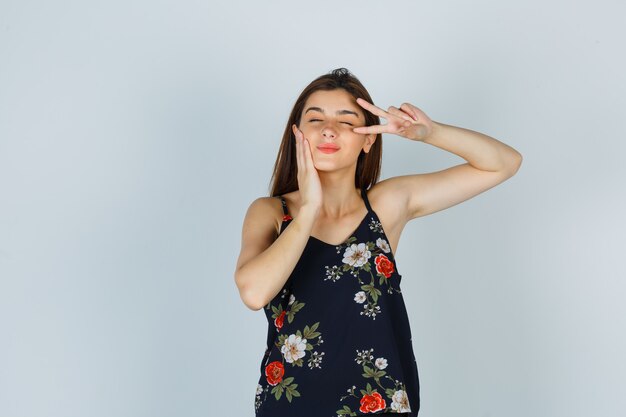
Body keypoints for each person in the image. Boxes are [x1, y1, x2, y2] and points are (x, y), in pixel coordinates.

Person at [234, 68, 522, 417]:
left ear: (368, 139)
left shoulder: (385, 206)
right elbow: (253, 292)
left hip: (381, 407)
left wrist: (430, 133)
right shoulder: (270, 212)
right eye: (315, 118)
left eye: (345, 120)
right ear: (297, 132)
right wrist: (309, 208)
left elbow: (503, 164)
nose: (328, 129)